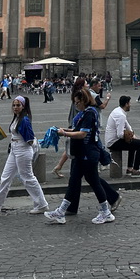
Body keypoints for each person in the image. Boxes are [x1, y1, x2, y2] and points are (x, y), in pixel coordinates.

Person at [44, 89, 116, 225]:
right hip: (81, 154)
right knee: (74, 182)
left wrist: (65, 134)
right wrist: (64, 130)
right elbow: (77, 130)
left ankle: (106, 212)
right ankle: (61, 212)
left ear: (83, 101)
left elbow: (82, 134)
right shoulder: (85, 113)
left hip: (88, 154)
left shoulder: (89, 113)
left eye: (77, 102)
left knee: (94, 181)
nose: (76, 105)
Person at [0, 96, 49, 215]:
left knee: (27, 178)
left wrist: (30, 145)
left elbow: (29, 138)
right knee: (6, 177)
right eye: (14, 105)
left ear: (23, 106)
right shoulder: (18, 118)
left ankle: (42, 204)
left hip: (22, 150)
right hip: (16, 149)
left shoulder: (24, 120)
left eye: (18, 105)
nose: (15, 107)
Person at [105, 95, 140, 177]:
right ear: (126, 104)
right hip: (113, 142)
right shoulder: (121, 115)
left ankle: (130, 169)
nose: (130, 105)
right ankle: (135, 170)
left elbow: (128, 126)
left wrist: (133, 135)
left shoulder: (118, 111)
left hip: (111, 140)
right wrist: (130, 137)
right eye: (129, 103)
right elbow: (120, 134)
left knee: (134, 143)